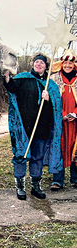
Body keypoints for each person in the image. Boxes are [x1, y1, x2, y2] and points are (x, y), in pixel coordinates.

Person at [4, 52, 63, 200]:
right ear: (33, 64)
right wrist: (6, 78)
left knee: (37, 157)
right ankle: (20, 187)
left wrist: (48, 99)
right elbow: (12, 87)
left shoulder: (51, 85)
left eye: (41, 63)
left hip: (42, 128)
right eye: (36, 62)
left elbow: (56, 108)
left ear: (46, 66)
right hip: (24, 127)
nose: (38, 64)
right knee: (21, 155)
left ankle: (36, 186)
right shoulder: (23, 79)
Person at [50, 49, 77, 190]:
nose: (68, 66)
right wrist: (63, 114)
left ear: (74, 65)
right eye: (65, 63)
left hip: (75, 122)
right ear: (61, 64)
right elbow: (52, 100)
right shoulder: (54, 79)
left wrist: (74, 113)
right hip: (59, 121)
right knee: (59, 148)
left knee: (75, 148)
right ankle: (57, 180)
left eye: (70, 63)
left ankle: (75, 178)